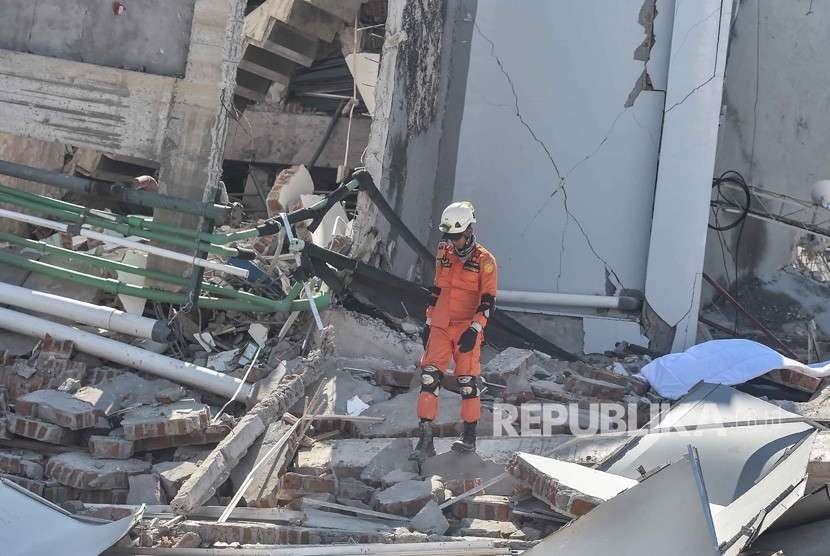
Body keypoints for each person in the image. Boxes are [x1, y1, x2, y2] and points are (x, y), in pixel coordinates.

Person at [411, 201, 497, 461]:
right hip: (440, 323)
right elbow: (436, 288)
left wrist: (475, 328)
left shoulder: (485, 261)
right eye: (449, 237)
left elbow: (488, 301)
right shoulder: (443, 251)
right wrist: (427, 321)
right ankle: (425, 441)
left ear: (469, 231)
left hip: (466, 328)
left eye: (457, 237)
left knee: (468, 382)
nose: (453, 242)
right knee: (429, 379)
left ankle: (469, 438)